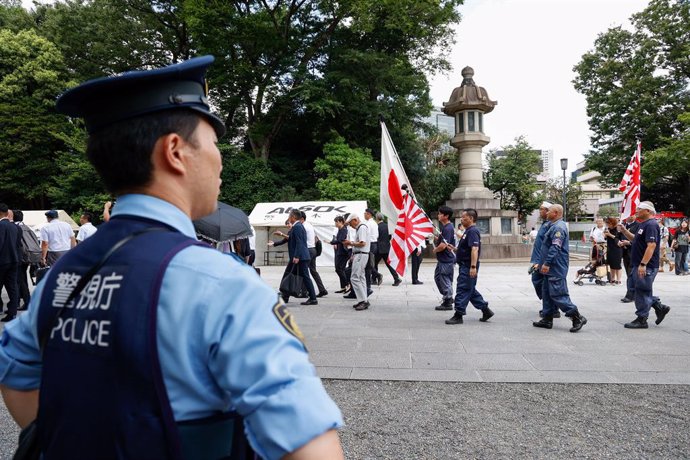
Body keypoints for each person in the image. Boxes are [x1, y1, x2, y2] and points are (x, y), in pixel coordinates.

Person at [0, 56, 343, 459]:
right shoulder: (223, 283)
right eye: (214, 144)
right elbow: (309, 447)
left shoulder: (63, 273)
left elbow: (17, 378)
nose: (220, 162)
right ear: (175, 151)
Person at [532, 204, 587, 333]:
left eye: (549, 211)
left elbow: (555, 247)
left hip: (555, 267)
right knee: (546, 293)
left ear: (555, 213)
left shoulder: (558, 227)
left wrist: (547, 263)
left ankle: (576, 317)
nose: (546, 213)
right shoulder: (553, 225)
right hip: (549, 267)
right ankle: (547, 318)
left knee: (558, 293)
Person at [617, 201, 670, 329]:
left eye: (639, 209)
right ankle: (659, 307)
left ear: (648, 211)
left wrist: (643, 264)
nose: (636, 211)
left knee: (642, 291)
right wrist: (624, 231)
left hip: (646, 265)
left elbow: (651, 245)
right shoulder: (643, 224)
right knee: (636, 289)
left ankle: (642, 319)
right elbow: (636, 240)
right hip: (637, 264)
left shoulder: (651, 225)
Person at [445, 208, 494, 325]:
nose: (461, 219)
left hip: (468, 266)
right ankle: (485, 310)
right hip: (465, 265)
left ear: (471, 218)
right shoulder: (468, 231)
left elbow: (474, 249)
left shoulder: (472, 231)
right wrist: (456, 249)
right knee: (470, 290)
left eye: (464, 217)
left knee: (462, 289)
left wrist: (473, 267)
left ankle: (458, 315)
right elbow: (467, 249)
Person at [529, 201, 560, 318]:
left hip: (541, 261)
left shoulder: (550, 225)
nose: (540, 211)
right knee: (539, 282)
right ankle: (550, 307)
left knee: (541, 282)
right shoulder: (545, 224)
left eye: (542, 209)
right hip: (538, 259)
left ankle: (552, 308)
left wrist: (542, 262)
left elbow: (551, 245)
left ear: (548, 211)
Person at [288, 209, 318, 305]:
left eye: (289, 216)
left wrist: (296, 256)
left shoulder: (297, 227)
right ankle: (285, 294)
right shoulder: (298, 226)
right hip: (302, 256)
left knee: (305, 277)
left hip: (301, 256)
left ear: (293, 217)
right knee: (295, 275)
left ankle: (313, 298)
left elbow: (299, 242)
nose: (288, 218)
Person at [343, 213, 370, 311]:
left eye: (350, 223)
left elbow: (362, 243)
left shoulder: (362, 228)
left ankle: (362, 300)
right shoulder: (362, 227)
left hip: (361, 254)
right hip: (361, 254)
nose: (350, 225)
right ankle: (364, 299)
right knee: (361, 277)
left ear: (355, 220)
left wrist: (350, 243)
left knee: (354, 277)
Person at [0, 203, 21, 322]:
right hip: (14, 260)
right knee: (12, 287)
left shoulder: (1, 225)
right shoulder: (14, 226)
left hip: (2, 261)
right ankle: (12, 313)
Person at [433, 206, 456, 311]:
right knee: (438, 277)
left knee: (444, 279)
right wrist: (437, 238)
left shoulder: (448, 228)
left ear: (446, 216)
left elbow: (443, 246)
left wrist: (435, 249)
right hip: (443, 259)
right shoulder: (446, 228)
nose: (438, 215)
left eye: (440, 214)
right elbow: (446, 241)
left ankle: (448, 300)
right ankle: (448, 296)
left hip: (446, 259)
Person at [301, 212, 327, 297]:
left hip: (308, 250)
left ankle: (304, 292)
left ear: (302, 219)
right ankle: (322, 289)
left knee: (304, 271)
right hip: (313, 250)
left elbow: (300, 239)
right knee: (313, 271)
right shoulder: (310, 225)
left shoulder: (303, 226)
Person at [11, 210, 32, 310]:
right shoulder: (26, 227)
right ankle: (21, 301)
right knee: (22, 279)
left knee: (20, 281)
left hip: (18, 257)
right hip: (26, 257)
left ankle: (26, 302)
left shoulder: (15, 227)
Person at [375, 212, 401, 286]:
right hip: (386, 247)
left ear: (377, 218)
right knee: (389, 264)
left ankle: (375, 277)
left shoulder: (377, 227)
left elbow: (376, 237)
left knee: (373, 264)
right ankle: (396, 278)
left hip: (379, 248)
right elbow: (390, 237)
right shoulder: (388, 226)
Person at [618, 214, 639, 303]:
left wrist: (629, 243)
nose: (630, 216)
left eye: (632, 214)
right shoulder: (623, 224)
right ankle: (633, 292)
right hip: (624, 253)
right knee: (628, 273)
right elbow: (617, 236)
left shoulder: (638, 225)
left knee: (631, 275)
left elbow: (638, 239)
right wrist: (618, 242)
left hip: (633, 252)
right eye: (629, 215)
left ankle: (630, 294)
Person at [330, 216, 350, 293]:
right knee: (339, 268)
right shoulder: (340, 229)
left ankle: (347, 284)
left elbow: (341, 240)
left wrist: (332, 242)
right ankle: (343, 287)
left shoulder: (344, 230)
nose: (335, 223)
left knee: (339, 269)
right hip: (340, 251)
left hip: (343, 252)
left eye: (336, 222)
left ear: (341, 222)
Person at [603, 216, 623, 284]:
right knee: (611, 265)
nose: (607, 225)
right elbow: (605, 238)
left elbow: (617, 238)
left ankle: (619, 280)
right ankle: (612, 279)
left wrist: (609, 234)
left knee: (617, 265)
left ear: (612, 223)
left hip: (617, 249)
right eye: (607, 224)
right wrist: (605, 235)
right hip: (610, 248)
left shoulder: (618, 229)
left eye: (608, 223)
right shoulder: (608, 229)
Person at [363, 208, 380, 287]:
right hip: (374, 244)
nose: (364, 215)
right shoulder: (374, 223)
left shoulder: (369, 224)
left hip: (370, 244)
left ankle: (377, 275)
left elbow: (366, 235)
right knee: (369, 263)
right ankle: (374, 277)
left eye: (365, 213)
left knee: (368, 264)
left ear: (369, 214)